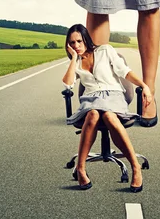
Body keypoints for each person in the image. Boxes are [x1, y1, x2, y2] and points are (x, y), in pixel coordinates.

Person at [62, 23, 152, 192]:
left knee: (109, 116)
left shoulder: (105, 50)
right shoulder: (77, 62)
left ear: (86, 39)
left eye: (79, 41)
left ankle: (135, 167)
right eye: (72, 43)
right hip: (91, 100)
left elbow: (124, 71)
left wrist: (144, 85)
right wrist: (74, 58)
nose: (77, 46)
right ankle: (81, 169)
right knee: (93, 114)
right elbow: (68, 83)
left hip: (113, 96)